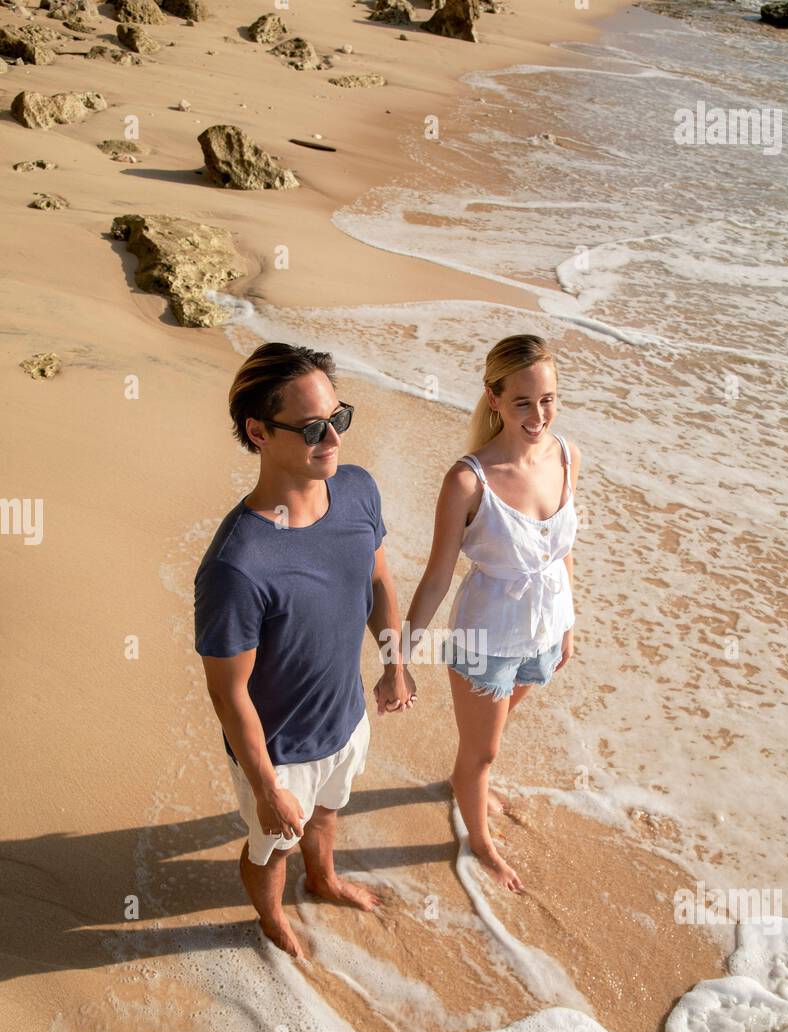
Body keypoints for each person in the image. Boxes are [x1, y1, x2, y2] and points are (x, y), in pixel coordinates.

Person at [194, 343, 415, 960]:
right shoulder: (237, 565)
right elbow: (227, 690)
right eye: (314, 428)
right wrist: (266, 787)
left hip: (345, 720)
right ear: (258, 431)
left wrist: (394, 662)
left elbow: (377, 581)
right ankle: (270, 920)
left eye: (338, 418)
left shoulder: (358, 492)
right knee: (271, 849)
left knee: (327, 814)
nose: (333, 439)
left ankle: (324, 880)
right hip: (279, 751)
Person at [403, 334, 579, 893]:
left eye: (547, 399)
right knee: (485, 750)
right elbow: (436, 577)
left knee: (495, 729)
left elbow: (563, 546)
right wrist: (398, 656)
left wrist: (569, 623)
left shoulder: (567, 455)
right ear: (494, 398)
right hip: (486, 637)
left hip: (547, 626)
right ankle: (478, 838)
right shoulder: (467, 481)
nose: (538, 414)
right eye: (523, 401)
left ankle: (467, 779)